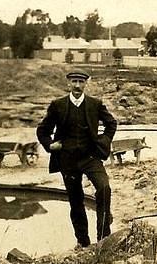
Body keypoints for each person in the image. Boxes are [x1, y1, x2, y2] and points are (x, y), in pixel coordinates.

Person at [36, 69, 117, 248]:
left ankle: (103, 238)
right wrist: (50, 145)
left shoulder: (95, 104)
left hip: (91, 157)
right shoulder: (58, 105)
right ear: (68, 83)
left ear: (86, 83)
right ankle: (83, 242)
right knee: (76, 200)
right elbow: (42, 130)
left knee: (104, 188)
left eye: (81, 82)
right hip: (68, 160)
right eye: (74, 82)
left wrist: (103, 142)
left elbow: (111, 124)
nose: (78, 86)